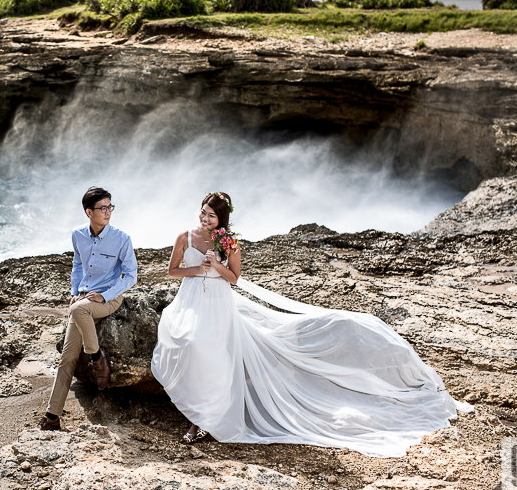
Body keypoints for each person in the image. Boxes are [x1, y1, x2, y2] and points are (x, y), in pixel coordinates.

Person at [150, 192, 471, 457]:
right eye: (203, 213)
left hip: (219, 304)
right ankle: (195, 410)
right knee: (189, 343)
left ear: (222, 221)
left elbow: (234, 279)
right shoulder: (184, 236)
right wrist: (199, 270)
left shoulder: (229, 243)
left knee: (214, 355)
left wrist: (216, 265)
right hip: (191, 298)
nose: (205, 219)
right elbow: (173, 271)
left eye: (212, 216)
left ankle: (203, 419)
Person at [39, 187, 138, 431]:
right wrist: (75, 292)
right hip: (84, 301)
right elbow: (77, 265)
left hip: (109, 298)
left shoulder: (122, 238)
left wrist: (105, 295)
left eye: (110, 207)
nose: (108, 212)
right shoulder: (78, 235)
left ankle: (96, 357)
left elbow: (131, 276)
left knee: (78, 310)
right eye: (102, 208)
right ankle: (52, 416)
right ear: (89, 212)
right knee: (67, 358)